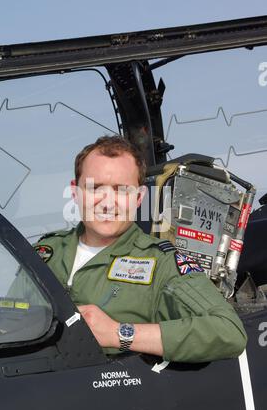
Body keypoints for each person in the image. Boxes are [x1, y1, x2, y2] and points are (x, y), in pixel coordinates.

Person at [33, 135, 247, 363]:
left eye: (121, 190)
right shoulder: (45, 252)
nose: (107, 203)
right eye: (95, 188)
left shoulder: (161, 263)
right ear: (75, 193)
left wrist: (119, 333)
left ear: (139, 197)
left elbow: (229, 331)